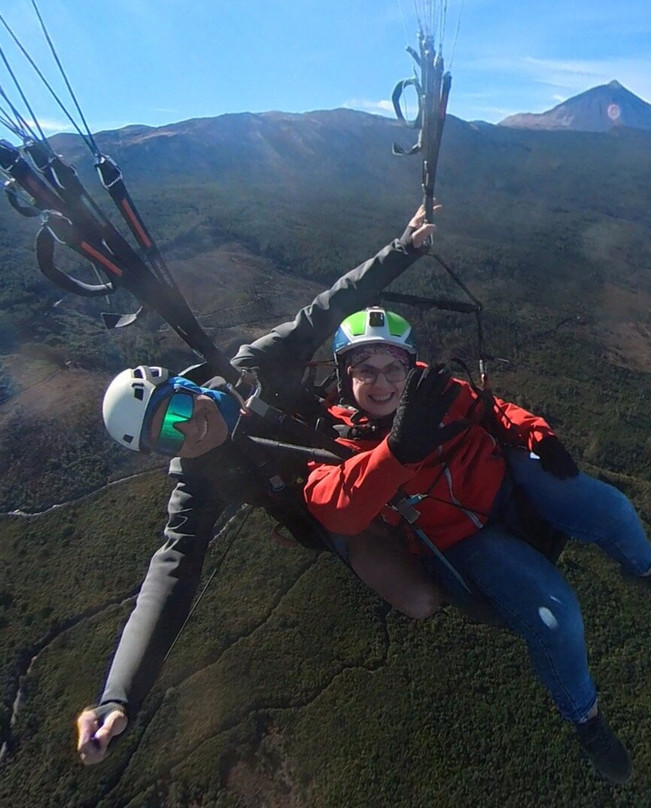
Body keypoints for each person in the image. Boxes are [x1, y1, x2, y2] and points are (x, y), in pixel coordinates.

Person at [75, 206, 445, 765]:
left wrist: (404, 249)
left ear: (184, 385)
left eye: (178, 411)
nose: (189, 432)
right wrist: (117, 696)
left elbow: (328, 308)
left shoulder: (253, 368)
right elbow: (171, 574)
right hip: (335, 511)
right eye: (168, 439)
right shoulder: (198, 479)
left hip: (361, 437)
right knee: (422, 599)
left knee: (455, 478)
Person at [304, 306, 651, 785]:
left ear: (411, 368)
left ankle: (649, 571)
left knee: (610, 507)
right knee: (558, 617)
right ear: (344, 376)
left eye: (393, 368)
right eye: (366, 370)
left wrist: (538, 435)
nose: (382, 383)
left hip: (505, 485)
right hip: (461, 539)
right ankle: (586, 721)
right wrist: (396, 451)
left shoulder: (434, 391)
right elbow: (335, 508)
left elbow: (492, 410)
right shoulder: (331, 440)